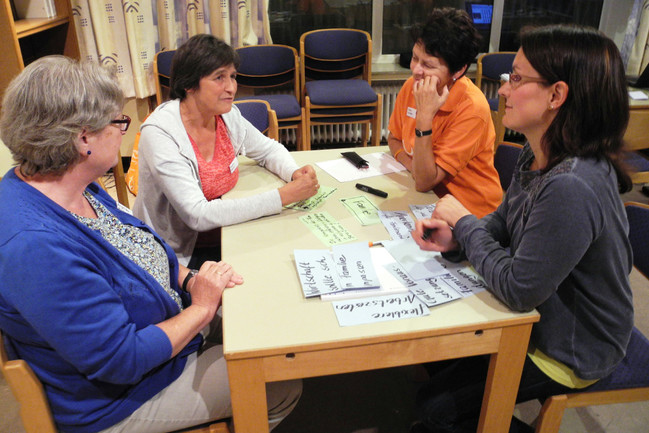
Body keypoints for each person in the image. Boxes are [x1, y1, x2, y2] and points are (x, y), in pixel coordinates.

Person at [0, 56, 301, 433]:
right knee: (279, 377)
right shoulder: (34, 246)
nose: (124, 131)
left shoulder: (71, 184)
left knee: (264, 314)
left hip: (160, 328)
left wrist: (191, 281)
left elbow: (138, 251)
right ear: (83, 139)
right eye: (117, 121)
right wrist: (203, 308)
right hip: (119, 399)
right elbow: (123, 359)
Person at [409, 24, 634, 433]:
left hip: (572, 347)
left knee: (436, 408)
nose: (503, 90)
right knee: (434, 367)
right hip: (541, 316)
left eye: (516, 79)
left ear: (557, 95)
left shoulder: (572, 183)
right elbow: (504, 221)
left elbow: (518, 290)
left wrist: (462, 221)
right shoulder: (540, 150)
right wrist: (461, 236)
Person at [133, 34, 319, 268]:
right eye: (219, 78)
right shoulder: (160, 133)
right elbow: (196, 214)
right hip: (177, 254)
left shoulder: (227, 116)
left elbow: (268, 150)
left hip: (229, 231)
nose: (231, 88)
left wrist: (294, 173)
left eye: (232, 76)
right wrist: (284, 196)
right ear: (189, 84)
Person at [388, 8, 502, 218]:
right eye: (414, 58)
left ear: (458, 71)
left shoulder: (471, 108)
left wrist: (424, 116)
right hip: (427, 201)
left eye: (428, 65)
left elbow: (424, 181)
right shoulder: (413, 86)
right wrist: (413, 166)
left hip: (471, 214)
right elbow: (394, 138)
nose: (416, 70)